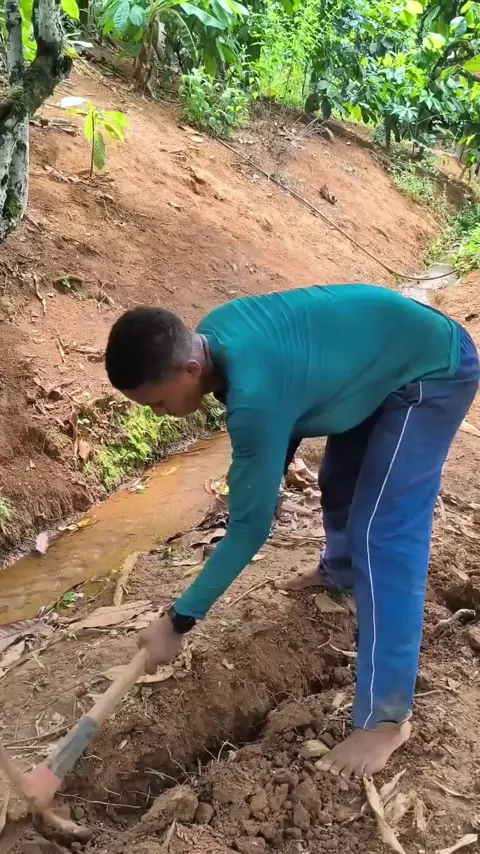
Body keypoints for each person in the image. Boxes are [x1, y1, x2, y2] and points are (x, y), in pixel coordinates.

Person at [105, 283, 479, 779]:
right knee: (339, 479)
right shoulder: (215, 333)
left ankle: (385, 721)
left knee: (383, 533)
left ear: (190, 369)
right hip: (374, 363)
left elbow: (250, 529)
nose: (159, 414)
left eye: (157, 403)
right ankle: (341, 573)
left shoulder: (253, 395)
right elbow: (288, 408)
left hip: (432, 369)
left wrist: (177, 622)